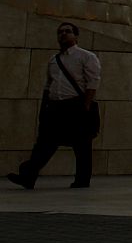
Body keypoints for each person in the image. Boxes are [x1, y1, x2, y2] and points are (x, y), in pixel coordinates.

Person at [8, 22, 100, 190]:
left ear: (76, 36)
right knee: (45, 142)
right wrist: (45, 106)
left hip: (75, 105)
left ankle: (82, 180)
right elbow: (49, 84)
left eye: (68, 31)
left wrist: (85, 105)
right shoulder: (54, 60)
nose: (63, 34)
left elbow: (92, 82)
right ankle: (28, 176)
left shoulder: (86, 57)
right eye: (60, 32)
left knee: (81, 145)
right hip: (56, 107)